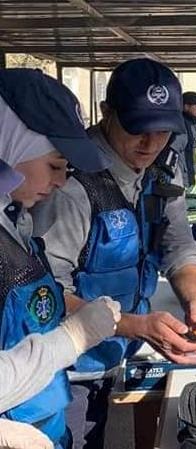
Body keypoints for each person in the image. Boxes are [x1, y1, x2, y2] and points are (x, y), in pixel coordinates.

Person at [32, 58, 196, 449]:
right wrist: (136, 325)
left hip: (115, 357)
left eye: (163, 131)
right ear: (107, 113)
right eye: (137, 129)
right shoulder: (70, 185)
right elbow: (43, 296)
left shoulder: (162, 172)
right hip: (63, 371)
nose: (150, 144)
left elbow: (179, 244)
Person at [0, 69, 121, 449]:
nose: (61, 181)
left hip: (46, 426)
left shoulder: (16, 224)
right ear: (8, 145)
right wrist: (71, 339)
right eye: (54, 165)